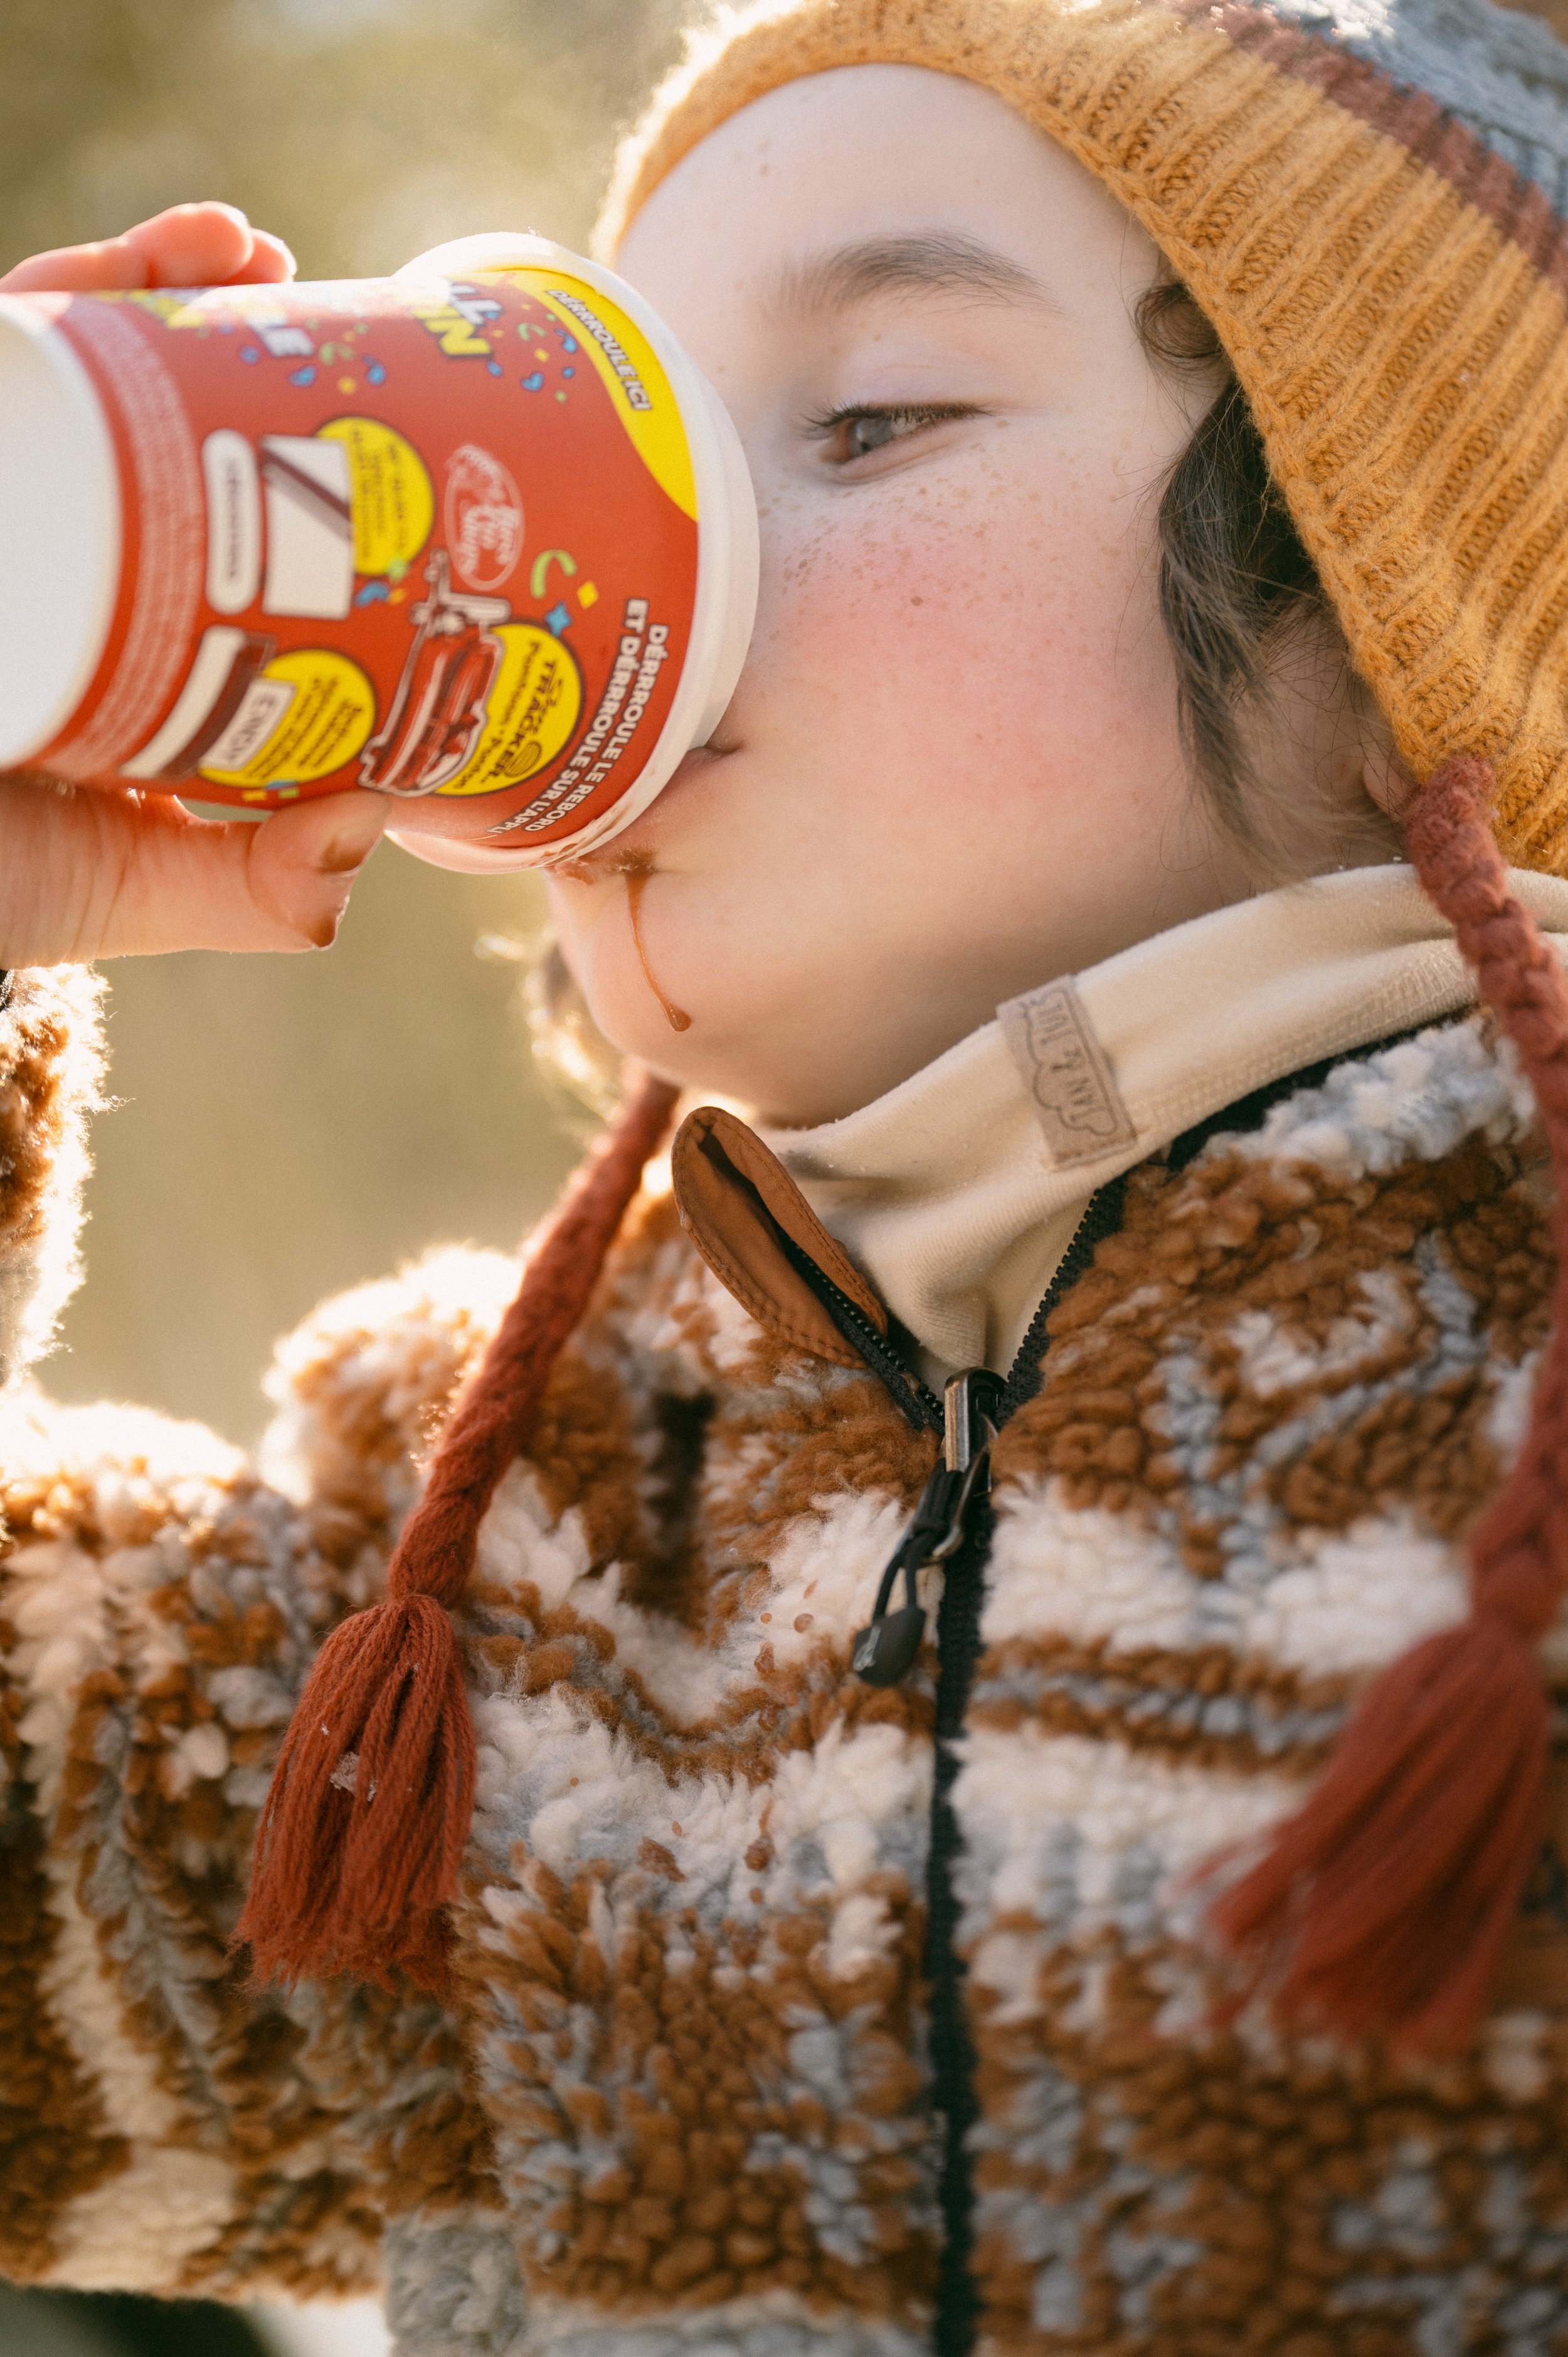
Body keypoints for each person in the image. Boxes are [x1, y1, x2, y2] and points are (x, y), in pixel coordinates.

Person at [5, 2, 1568, 2350]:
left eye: (870, 419)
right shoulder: (512, 1538)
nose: (664, 558)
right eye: (600, 427)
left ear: (1385, 614)